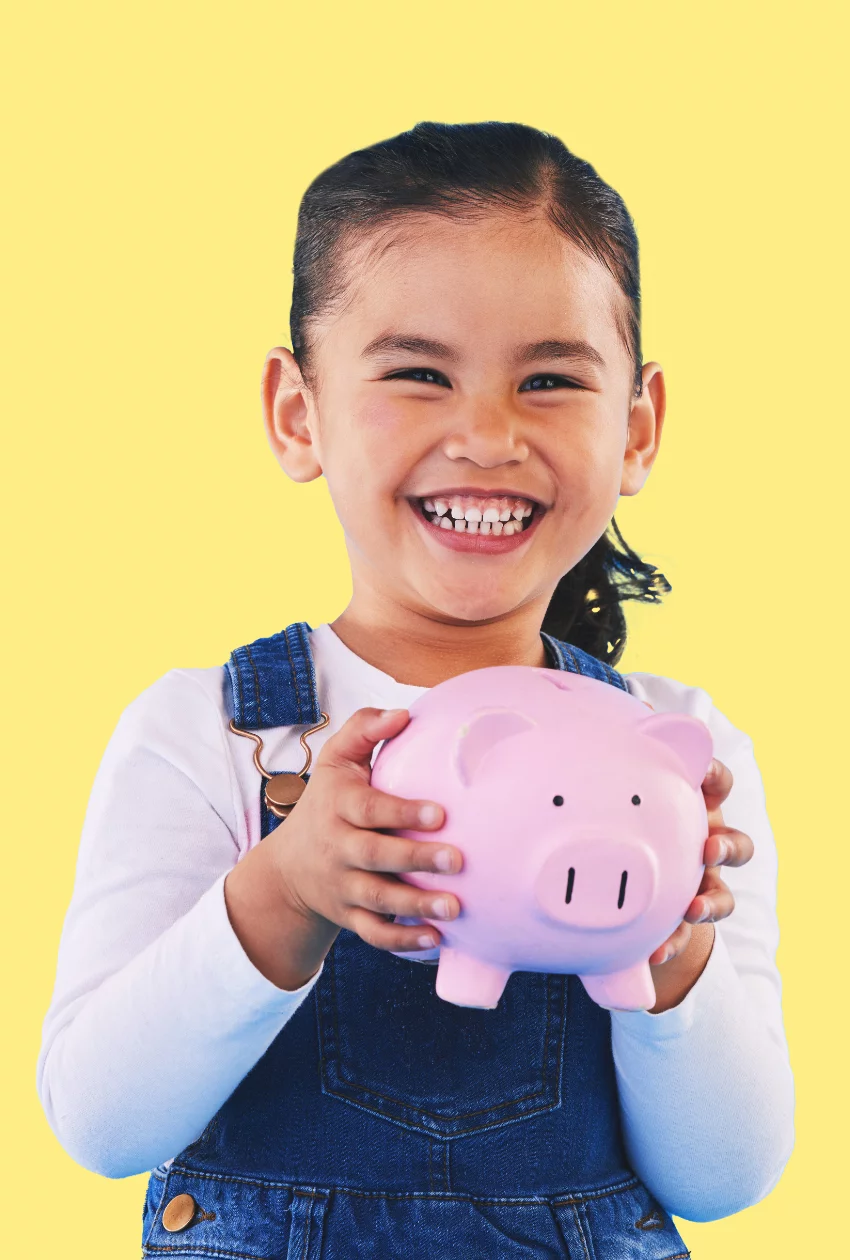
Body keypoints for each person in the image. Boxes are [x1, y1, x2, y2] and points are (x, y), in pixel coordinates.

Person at [36, 121, 795, 1257]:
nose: (487, 434)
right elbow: (99, 1123)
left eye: (549, 379)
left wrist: (668, 952)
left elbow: (723, 1178)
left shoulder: (680, 747)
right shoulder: (214, 735)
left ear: (635, 428)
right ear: (300, 413)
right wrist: (281, 896)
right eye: (417, 375)